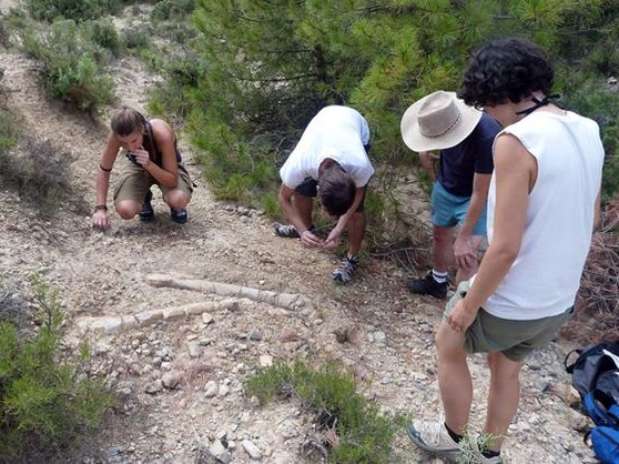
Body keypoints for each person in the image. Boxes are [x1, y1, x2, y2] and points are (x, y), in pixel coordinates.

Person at [406, 38, 604, 463]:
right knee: (506, 367)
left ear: (497, 94)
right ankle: (487, 454)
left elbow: (505, 247)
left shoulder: (515, 141)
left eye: (484, 103)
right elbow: (588, 218)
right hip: (556, 301)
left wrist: (468, 305)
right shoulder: (587, 129)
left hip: (515, 300)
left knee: (449, 343)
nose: (485, 113)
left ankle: (453, 440)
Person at [401, 90, 501, 299]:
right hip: (446, 185)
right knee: (440, 236)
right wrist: (428, 162)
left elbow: (480, 191)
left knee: (466, 255)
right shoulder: (441, 118)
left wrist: (463, 237)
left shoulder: (487, 135)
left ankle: (464, 307)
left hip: (474, 196)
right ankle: (438, 282)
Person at [274, 105, 374, 284]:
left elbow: (359, 191)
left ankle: (352, 259)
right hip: (325, 119)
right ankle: (306, 229)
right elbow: (283, 197)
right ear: (319, 189)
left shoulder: (359, 164)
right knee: (302, 189)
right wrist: (302, 230)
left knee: (357, 212)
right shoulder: (301, 162)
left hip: (354, 123)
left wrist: (339, 226)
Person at [92, 107, 193, 229]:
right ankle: (144, 197)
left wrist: (149, 164)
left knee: (178, 200)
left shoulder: (161, 134)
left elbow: (172, 181)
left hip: (165, 168)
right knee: (125, 210)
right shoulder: (116, 137)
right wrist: (100, 209)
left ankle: (175, 208)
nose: (130, 147)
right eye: (124, 143)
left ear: (142, 129)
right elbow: (104, 169)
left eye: (134, 140)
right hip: (138, 167)